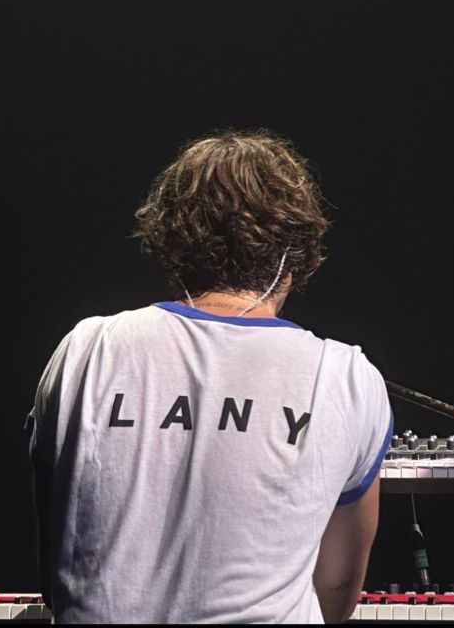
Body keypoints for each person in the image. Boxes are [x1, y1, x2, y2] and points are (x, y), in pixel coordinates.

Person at [26, 129, 393, 624]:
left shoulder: (87, 349)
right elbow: (339, 585)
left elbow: (57, 561)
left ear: (174, 238)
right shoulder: (348, 376)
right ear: (295, 250)